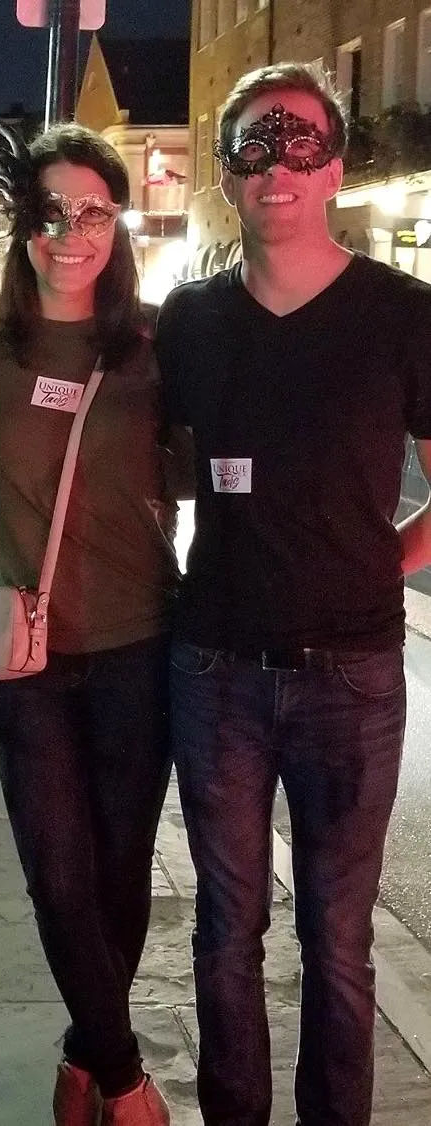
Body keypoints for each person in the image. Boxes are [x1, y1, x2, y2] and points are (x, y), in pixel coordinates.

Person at [156, 62, 431, 1126]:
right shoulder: (190, 319)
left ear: (335, 169)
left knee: (339, 938)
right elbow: (147, 458)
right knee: (225, 931)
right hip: (215, 666)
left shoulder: (403, 315)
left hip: (352, 675)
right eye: (254, 147)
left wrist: (385, 560)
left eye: (301, 145)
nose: (277, 168)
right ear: (227, 172)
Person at [0, 120, 180, 1126]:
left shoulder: (157, 346)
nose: (70, 233)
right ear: (23, 226)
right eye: (50, 212)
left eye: (92, 212)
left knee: (120, 871)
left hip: (139, 644)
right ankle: (122, 1080)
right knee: (54, 871)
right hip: (25, 654)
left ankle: (86, 1058)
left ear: (117, 223)